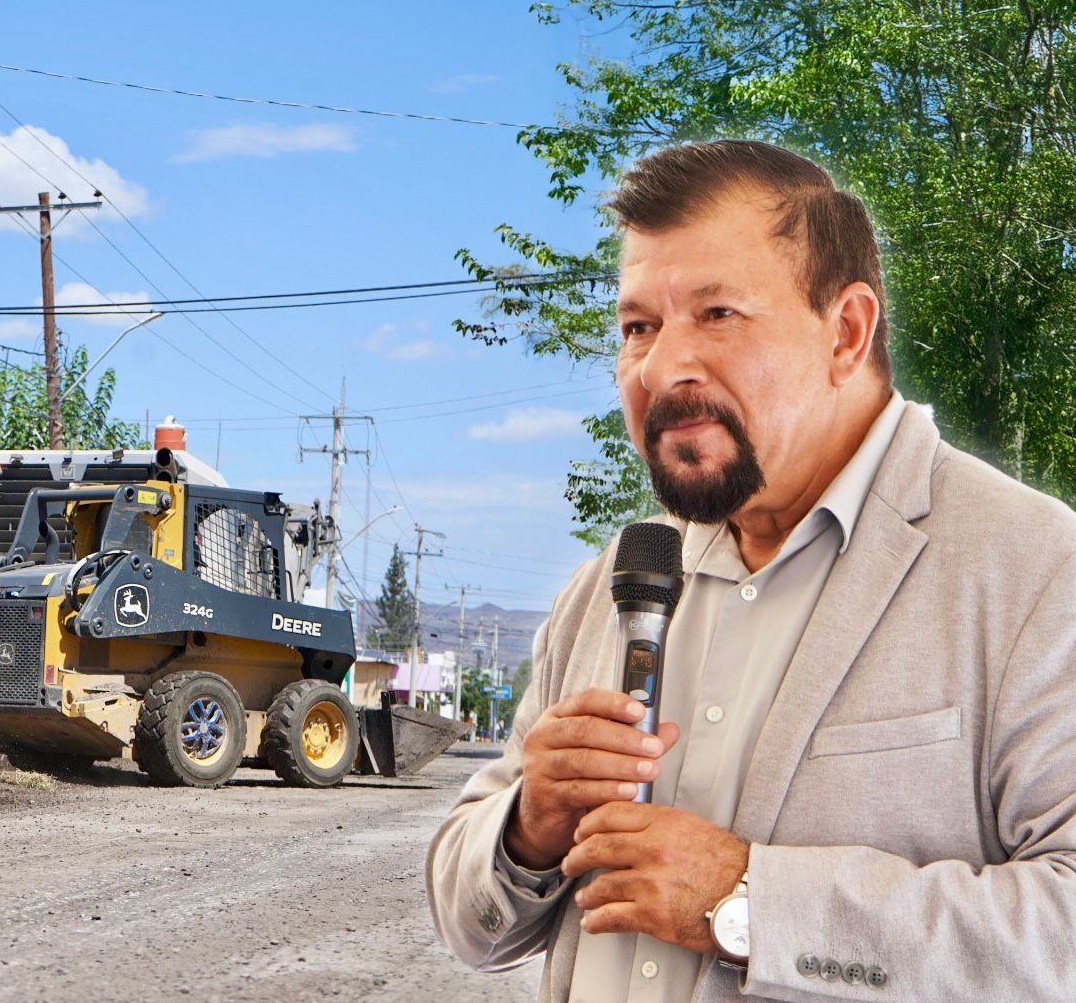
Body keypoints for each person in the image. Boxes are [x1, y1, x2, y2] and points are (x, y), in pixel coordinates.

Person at [426, 139, 1076, 1001]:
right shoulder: (610, 584)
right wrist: (528, 828)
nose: (660, 369)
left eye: (718, 314)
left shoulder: (1036, 570)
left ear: (846, 332)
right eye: (638, 328)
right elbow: (469, 927)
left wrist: (751, 905)